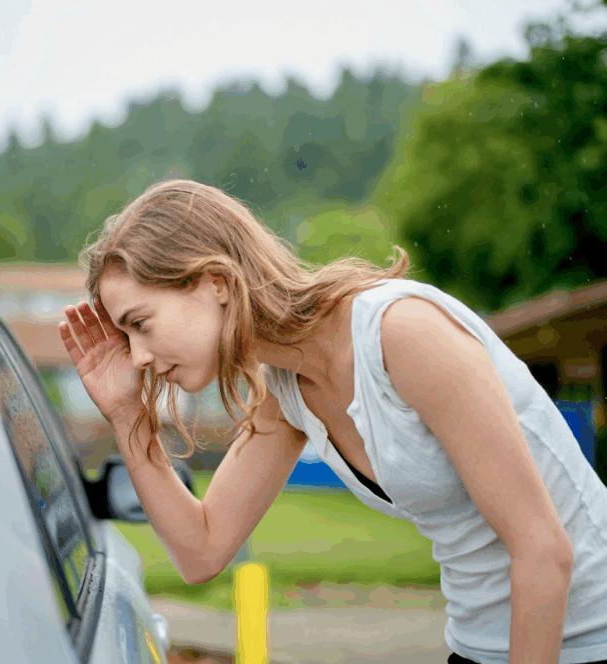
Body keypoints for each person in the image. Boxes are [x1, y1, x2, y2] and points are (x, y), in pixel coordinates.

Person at [58, 179, 607, 664]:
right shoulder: (287, 385)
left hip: (584, 640)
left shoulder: (402, 334)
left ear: (216, 282)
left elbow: (543, 549)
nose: (138, 358)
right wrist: (129, 414)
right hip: (477, 645)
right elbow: (201, 551)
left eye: (141, 324)